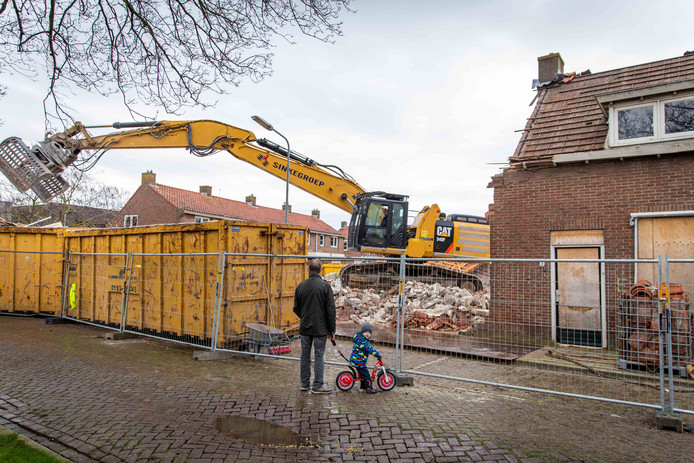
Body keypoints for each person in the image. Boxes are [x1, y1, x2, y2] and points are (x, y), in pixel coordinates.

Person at [293, 258, 336, 394]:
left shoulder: (301, 286)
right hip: (320, 329)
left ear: (308, 269)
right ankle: (317, 385)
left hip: (305, 327)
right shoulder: (325, 286)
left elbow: (296, 308)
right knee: (319, 356)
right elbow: (330, 310)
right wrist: (331, 330)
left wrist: (305, 317)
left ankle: (304, 384)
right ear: (320, 269)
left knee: (304, 355)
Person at [349, 323, 382, 394]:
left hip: (357, 360)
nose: (367, 334)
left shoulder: (360, 339)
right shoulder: (363, 342)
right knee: (366, 374)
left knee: (362, 373)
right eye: (365, 332)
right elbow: (370, 349)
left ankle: (363, 385)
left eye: (369, 332)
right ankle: (369, 388)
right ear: (362, 332)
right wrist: (377, 354)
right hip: (358, 361)